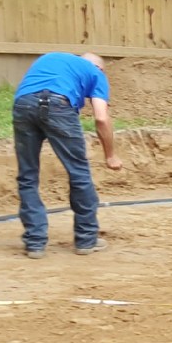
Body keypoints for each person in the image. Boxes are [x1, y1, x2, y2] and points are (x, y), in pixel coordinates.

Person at [12, 50, 122, 258]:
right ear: (99, 67)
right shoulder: (96, 72)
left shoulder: (49, 58)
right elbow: (101, 118)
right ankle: (86, 240)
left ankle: (35, 243)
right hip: (58, 105)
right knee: (78, 173)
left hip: (22, 105)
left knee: (27, 176)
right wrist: (110, 155)